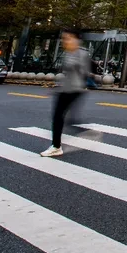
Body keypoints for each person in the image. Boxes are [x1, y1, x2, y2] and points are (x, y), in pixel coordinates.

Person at [40, 27, 91, 157]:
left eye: (67, 38)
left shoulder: (82, 54)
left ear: (76, 39)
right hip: (65, 89)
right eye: (64, 38)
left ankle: (57, 146)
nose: (65, 41)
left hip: (75, 89)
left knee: (58, 116)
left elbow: (85, 73)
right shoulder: (68, 53)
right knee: (62, 118)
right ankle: (78, 133)